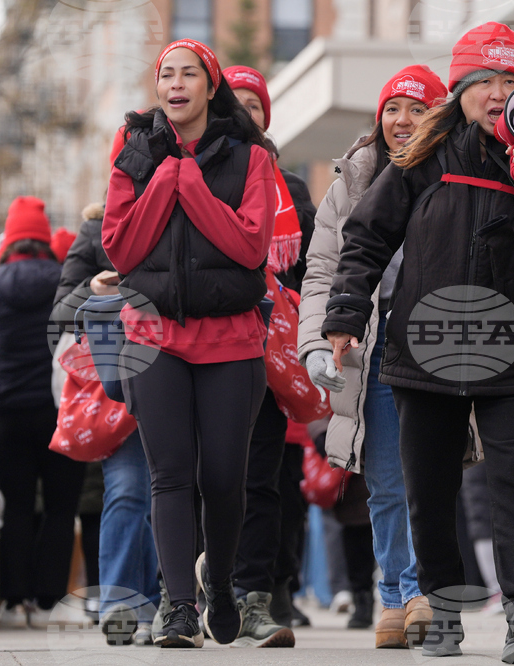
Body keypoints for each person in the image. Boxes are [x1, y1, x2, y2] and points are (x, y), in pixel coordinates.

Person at [319, 22, 514, 663]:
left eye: (512, 82)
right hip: (427, 346)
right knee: (431, 486)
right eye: (487, 81)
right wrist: (343, 315)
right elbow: (365, 238)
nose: (499, 93)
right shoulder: (425, 156)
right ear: (463, 90)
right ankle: (442, 611)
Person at [101, 39, 275, 648]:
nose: (175, 84)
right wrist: (164, 180)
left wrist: (191, 185)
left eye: (188, 74)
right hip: (152, 335)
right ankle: (177, 608)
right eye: (165, 74)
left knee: (225, 478)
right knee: (168, 476)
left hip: (231, 338)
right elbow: (121, 249)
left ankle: (219, 584)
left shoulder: (250, 156)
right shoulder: (133, 154)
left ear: (209, 85)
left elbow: (251, 247)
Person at [298, 63, 447, 649]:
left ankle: (427, 590)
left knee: (430, 479)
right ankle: (398, 595)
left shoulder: (457, 174)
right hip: (375, 344)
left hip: (439, 345)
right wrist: (314, 341)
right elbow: (322, 272)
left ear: (439, 115)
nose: (402, 121)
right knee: (384, 477)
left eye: (416, 109)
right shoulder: (353, 179)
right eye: (392, 109)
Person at [222, 64, 317, 648]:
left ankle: (254, 597)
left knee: (262, 481)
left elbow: (310, 272)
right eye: (234, 104)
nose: (244, 114)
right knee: (203, 477)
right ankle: (187, 591)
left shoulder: (293, 190)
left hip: (266, 352)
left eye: (254, 106)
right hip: (203, 348)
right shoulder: (193, 171)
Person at [51, 202, 161, 646]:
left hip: (178, 362)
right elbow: (60, 311)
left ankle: (159, 604)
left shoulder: (184, 208)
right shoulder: (97, 228)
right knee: (129, 490)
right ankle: (119, 602)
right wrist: (93, 291)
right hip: (118, 378)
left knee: (165, 494)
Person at [0, 196, 86, 628]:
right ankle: (47, 603)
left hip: (8, 409)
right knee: (62, 507)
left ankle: (11, 599)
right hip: (58, 408)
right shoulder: (65, 280)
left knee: (17, 504)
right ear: (44, 240)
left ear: (10, 239)